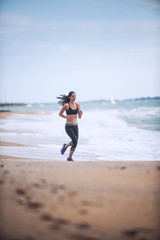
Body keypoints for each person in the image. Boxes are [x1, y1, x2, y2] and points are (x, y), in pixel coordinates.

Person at [57, 91, 83, 161]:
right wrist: (66, 117)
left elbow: (79, 117)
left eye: (75, 96)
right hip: (68, 127)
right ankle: (65, 146)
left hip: (75, 126)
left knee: (75, 142)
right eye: (73, 96)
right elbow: (60, 114)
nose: (75, 97)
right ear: (70, 97)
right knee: (75, 140)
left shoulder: (78, 105)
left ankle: (69, 157)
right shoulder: (66, 105)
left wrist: (81, 113)